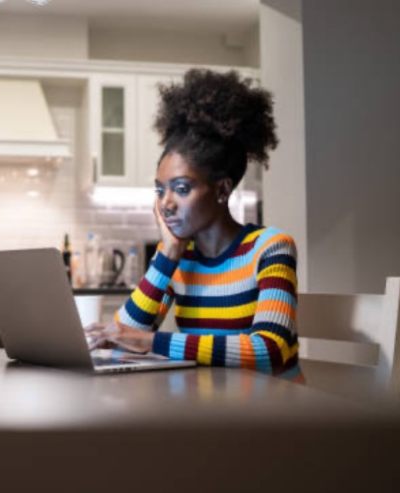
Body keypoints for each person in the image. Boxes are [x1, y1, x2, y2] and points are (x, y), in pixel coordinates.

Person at [86, 68, 303, 383]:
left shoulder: (271, 248)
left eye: (182, 189)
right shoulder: (179, 258)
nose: (166, 203)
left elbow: (268, 351)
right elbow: (125, 336)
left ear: (222, 190)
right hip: (212, 407)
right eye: (160, 190)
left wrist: (154, 343)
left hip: (276, 412)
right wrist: (168, 255)